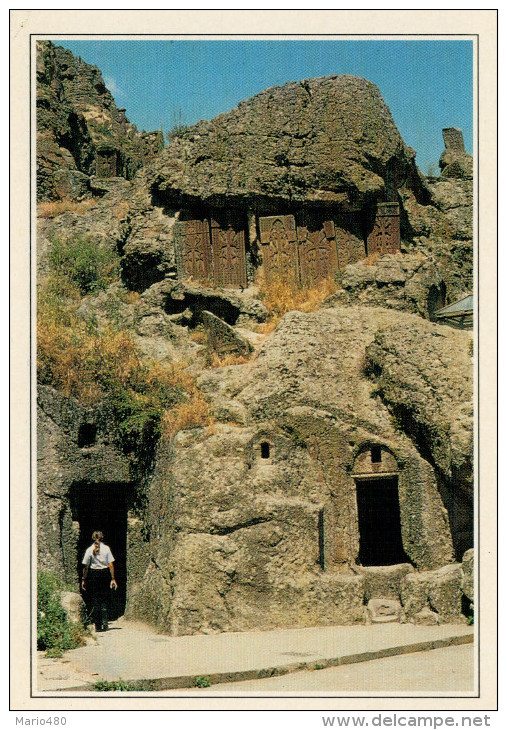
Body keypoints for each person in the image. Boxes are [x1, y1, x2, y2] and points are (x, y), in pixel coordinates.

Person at [81, 531, 117, 632]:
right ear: (102, 537)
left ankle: (97, 625)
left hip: (94, 575)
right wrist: (113, 578)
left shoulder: (89, 550)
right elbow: (110, 564)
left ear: (93, 538)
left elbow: (86, 566)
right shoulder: (106, 549)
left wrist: (83, 579)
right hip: (105, 574)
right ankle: (105, 623)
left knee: (95, 599)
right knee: (104, 599)